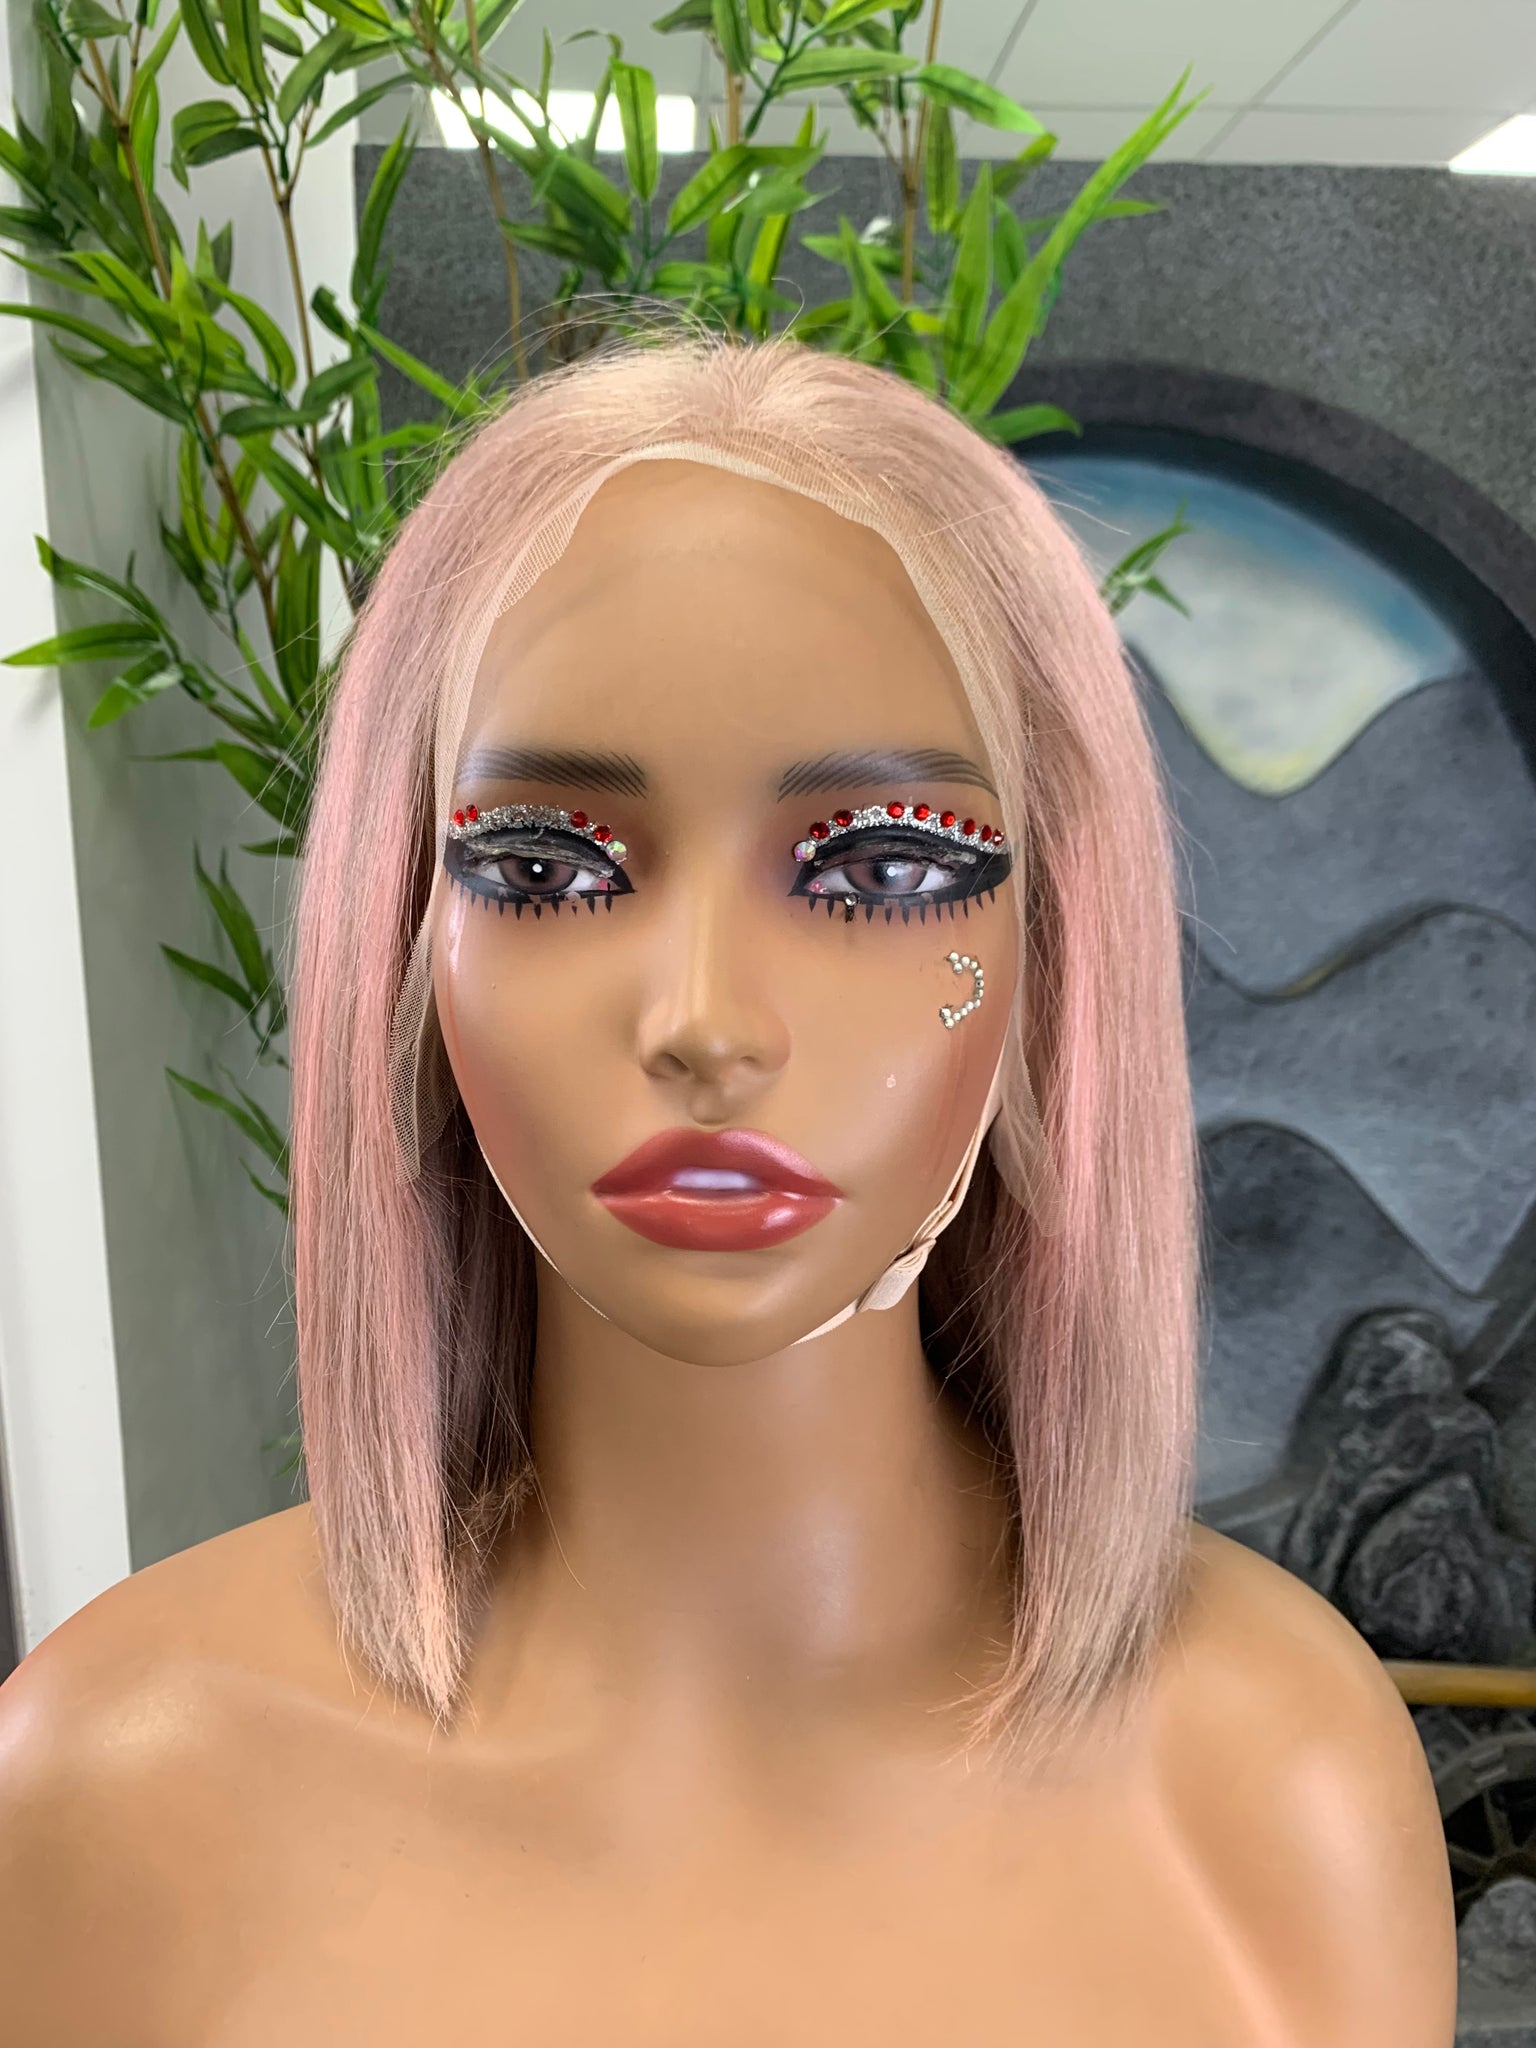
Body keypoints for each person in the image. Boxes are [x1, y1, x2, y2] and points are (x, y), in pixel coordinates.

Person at [0, 330, 1456, 2044]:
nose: (703, 1022)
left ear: (1058, 953)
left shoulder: (1277, 1786)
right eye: (545, 866)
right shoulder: (113, 1794)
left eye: (884, 866)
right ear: (405, 942)